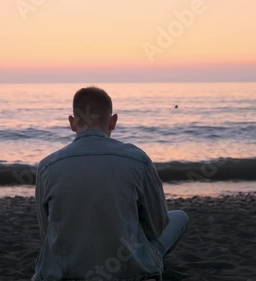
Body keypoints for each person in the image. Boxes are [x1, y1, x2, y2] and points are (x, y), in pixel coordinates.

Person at [32, 86, 189, 281]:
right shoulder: (138, 160)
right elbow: (156, 228)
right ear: (113, 121)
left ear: (72, 123)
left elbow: (47, 233)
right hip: (128, 273)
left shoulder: (47, 167)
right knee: (179, 217)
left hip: (66, 274)